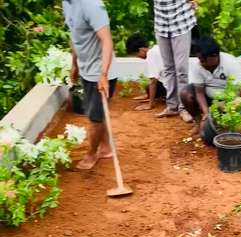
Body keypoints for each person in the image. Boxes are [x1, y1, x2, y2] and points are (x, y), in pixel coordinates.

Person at [62, 0, 117, 170]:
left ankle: (91, 154)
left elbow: (106, 40)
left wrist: (103, 74)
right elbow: (74, 36)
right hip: (87, 70)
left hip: (100, 72)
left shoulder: (92, 5)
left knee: (94, 118)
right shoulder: (67, 3)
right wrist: (75, 64)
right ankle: (106, 148)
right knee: (98, 113)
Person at [180, 35, 241, 133]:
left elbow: (237, 91)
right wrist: (206, 113)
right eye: (201, 60)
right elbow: (199, 92)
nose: (202, 63)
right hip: (209, 99)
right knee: (185, 93)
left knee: (233, 117)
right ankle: (198, 123)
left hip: (228, 99)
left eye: (205, 60)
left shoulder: (230, 63)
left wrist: (225, 103)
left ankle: (228, 124)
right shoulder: (198, 66)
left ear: (215, 55)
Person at [153, 0, 197, 122]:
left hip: (181, 21)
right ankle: (172, 106)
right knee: (168, 68)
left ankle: (184, 108)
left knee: (181, 69)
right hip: (161, 23)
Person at [126, 34, 167, 111]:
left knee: (151, 85)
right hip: (174, 83)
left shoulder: (151, 54)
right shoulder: (156, 48)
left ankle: (156, 99)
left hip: (171, 88)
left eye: (136, 54)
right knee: (149, 87)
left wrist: (149, 105)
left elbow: (153, 82)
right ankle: (151, 96)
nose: (138, 57)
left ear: (141, 50)